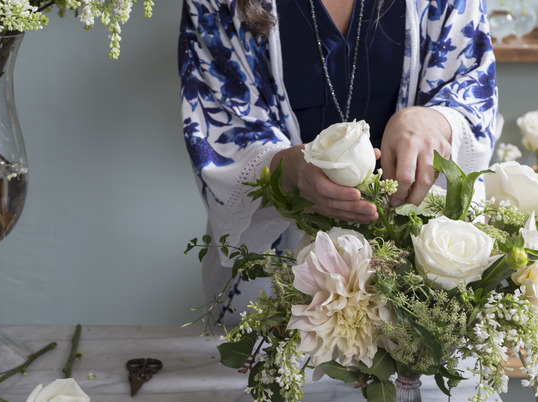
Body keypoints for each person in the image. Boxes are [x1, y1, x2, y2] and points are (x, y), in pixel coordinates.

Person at [179, 0, 498, 327]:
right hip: (274, 290)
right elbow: (220, 132)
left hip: (419, 294)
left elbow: (473, 87)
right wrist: (290, 171)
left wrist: (433, 122)